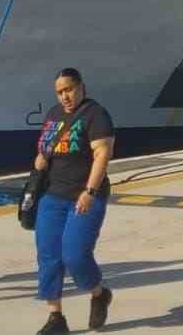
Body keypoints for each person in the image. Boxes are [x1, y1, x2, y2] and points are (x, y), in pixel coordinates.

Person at [33, 68, 116, 334]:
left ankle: (99, 293)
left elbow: (102, 154)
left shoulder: (96, 114)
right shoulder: (53, 114)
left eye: (69, 89)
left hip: (85, 195)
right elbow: (46, 147)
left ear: (81, 87)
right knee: (48, 255)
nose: (64, 96)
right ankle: (56, 317)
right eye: (60, 92)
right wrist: (41, 158)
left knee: (75, 255)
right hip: (52, 195)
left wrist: (90, 191)